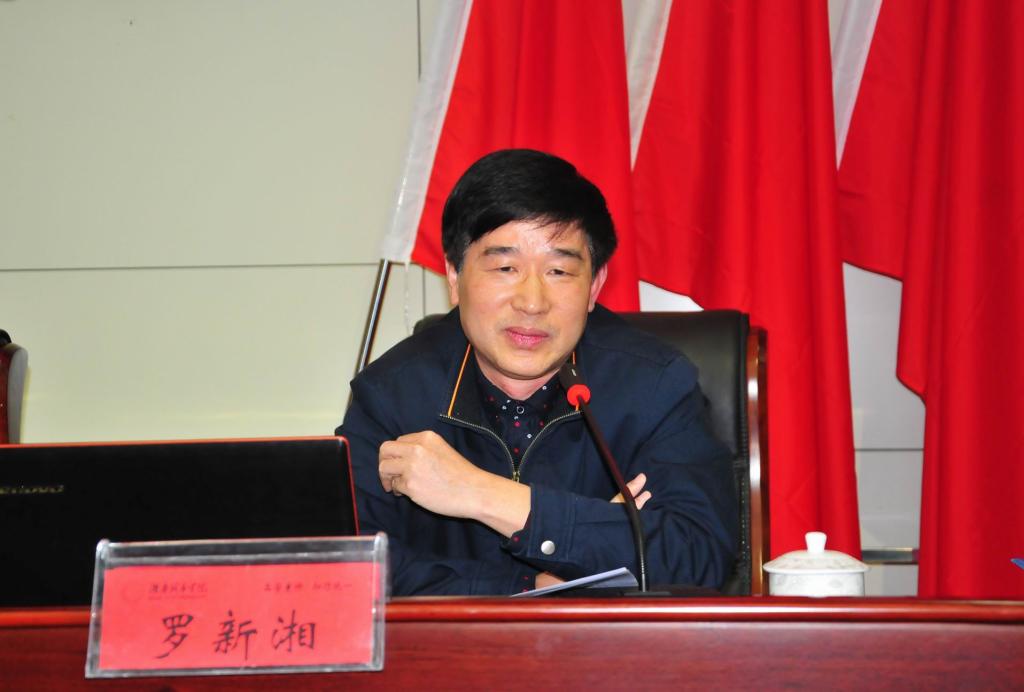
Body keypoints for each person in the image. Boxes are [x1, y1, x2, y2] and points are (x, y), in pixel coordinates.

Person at [337, 149, 737, 595]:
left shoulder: (653, 386)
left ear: (595, 285)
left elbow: (700, 557)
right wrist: (538, 581)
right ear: (454, 276)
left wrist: (480, 493)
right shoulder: (392, 395)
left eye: (559, 270)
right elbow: (347, 567)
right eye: (505, 268)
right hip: (457, 643)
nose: (532, 302)